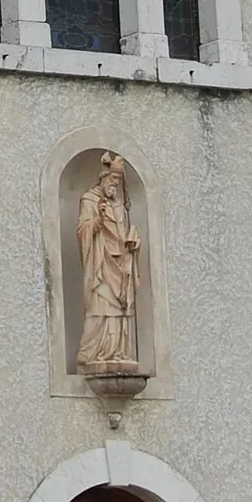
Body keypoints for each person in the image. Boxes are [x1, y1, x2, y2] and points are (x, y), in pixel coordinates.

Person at [76, 152, 143, 375]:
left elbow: (123, 235)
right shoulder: (89, 199)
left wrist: (133, 246)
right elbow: (83, 230)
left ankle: (118, 353)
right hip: (100, 264)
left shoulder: (120, 206)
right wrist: (98, 220)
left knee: (118, 312)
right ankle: (90, 355)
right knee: (99, 309)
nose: (114, 185)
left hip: (120, 266)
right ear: (103, 179)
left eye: (118, 182)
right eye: (112, 181)